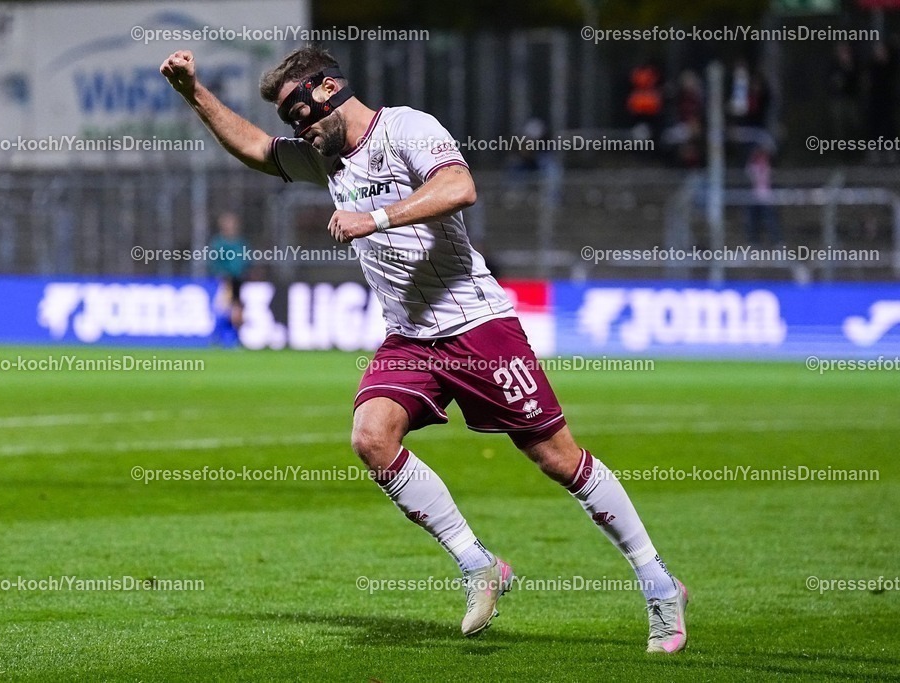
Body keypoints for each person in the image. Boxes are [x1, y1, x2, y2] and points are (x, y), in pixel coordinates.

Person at [161, 45, 688, 652]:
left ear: (327, 90)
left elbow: (460, 186)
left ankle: (658, 584)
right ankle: (479, 564)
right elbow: (255, 149)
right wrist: (193, 92)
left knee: (558, 460)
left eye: (300, 114)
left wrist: (378, 218)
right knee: (370, 437)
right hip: (410, 336)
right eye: (290, 122)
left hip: (477, 326)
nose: (297, 130)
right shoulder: (325, 158)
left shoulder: (407, 128)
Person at [208, 211, 249, 345]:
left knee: (238, 311)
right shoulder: (219, 243)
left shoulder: (240, 242)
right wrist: (221, 274)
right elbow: (214, 262)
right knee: (224, 309)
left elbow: (247, 259)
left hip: (239, 280)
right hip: (226, 281)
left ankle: (235, 339)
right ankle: (217, 337)